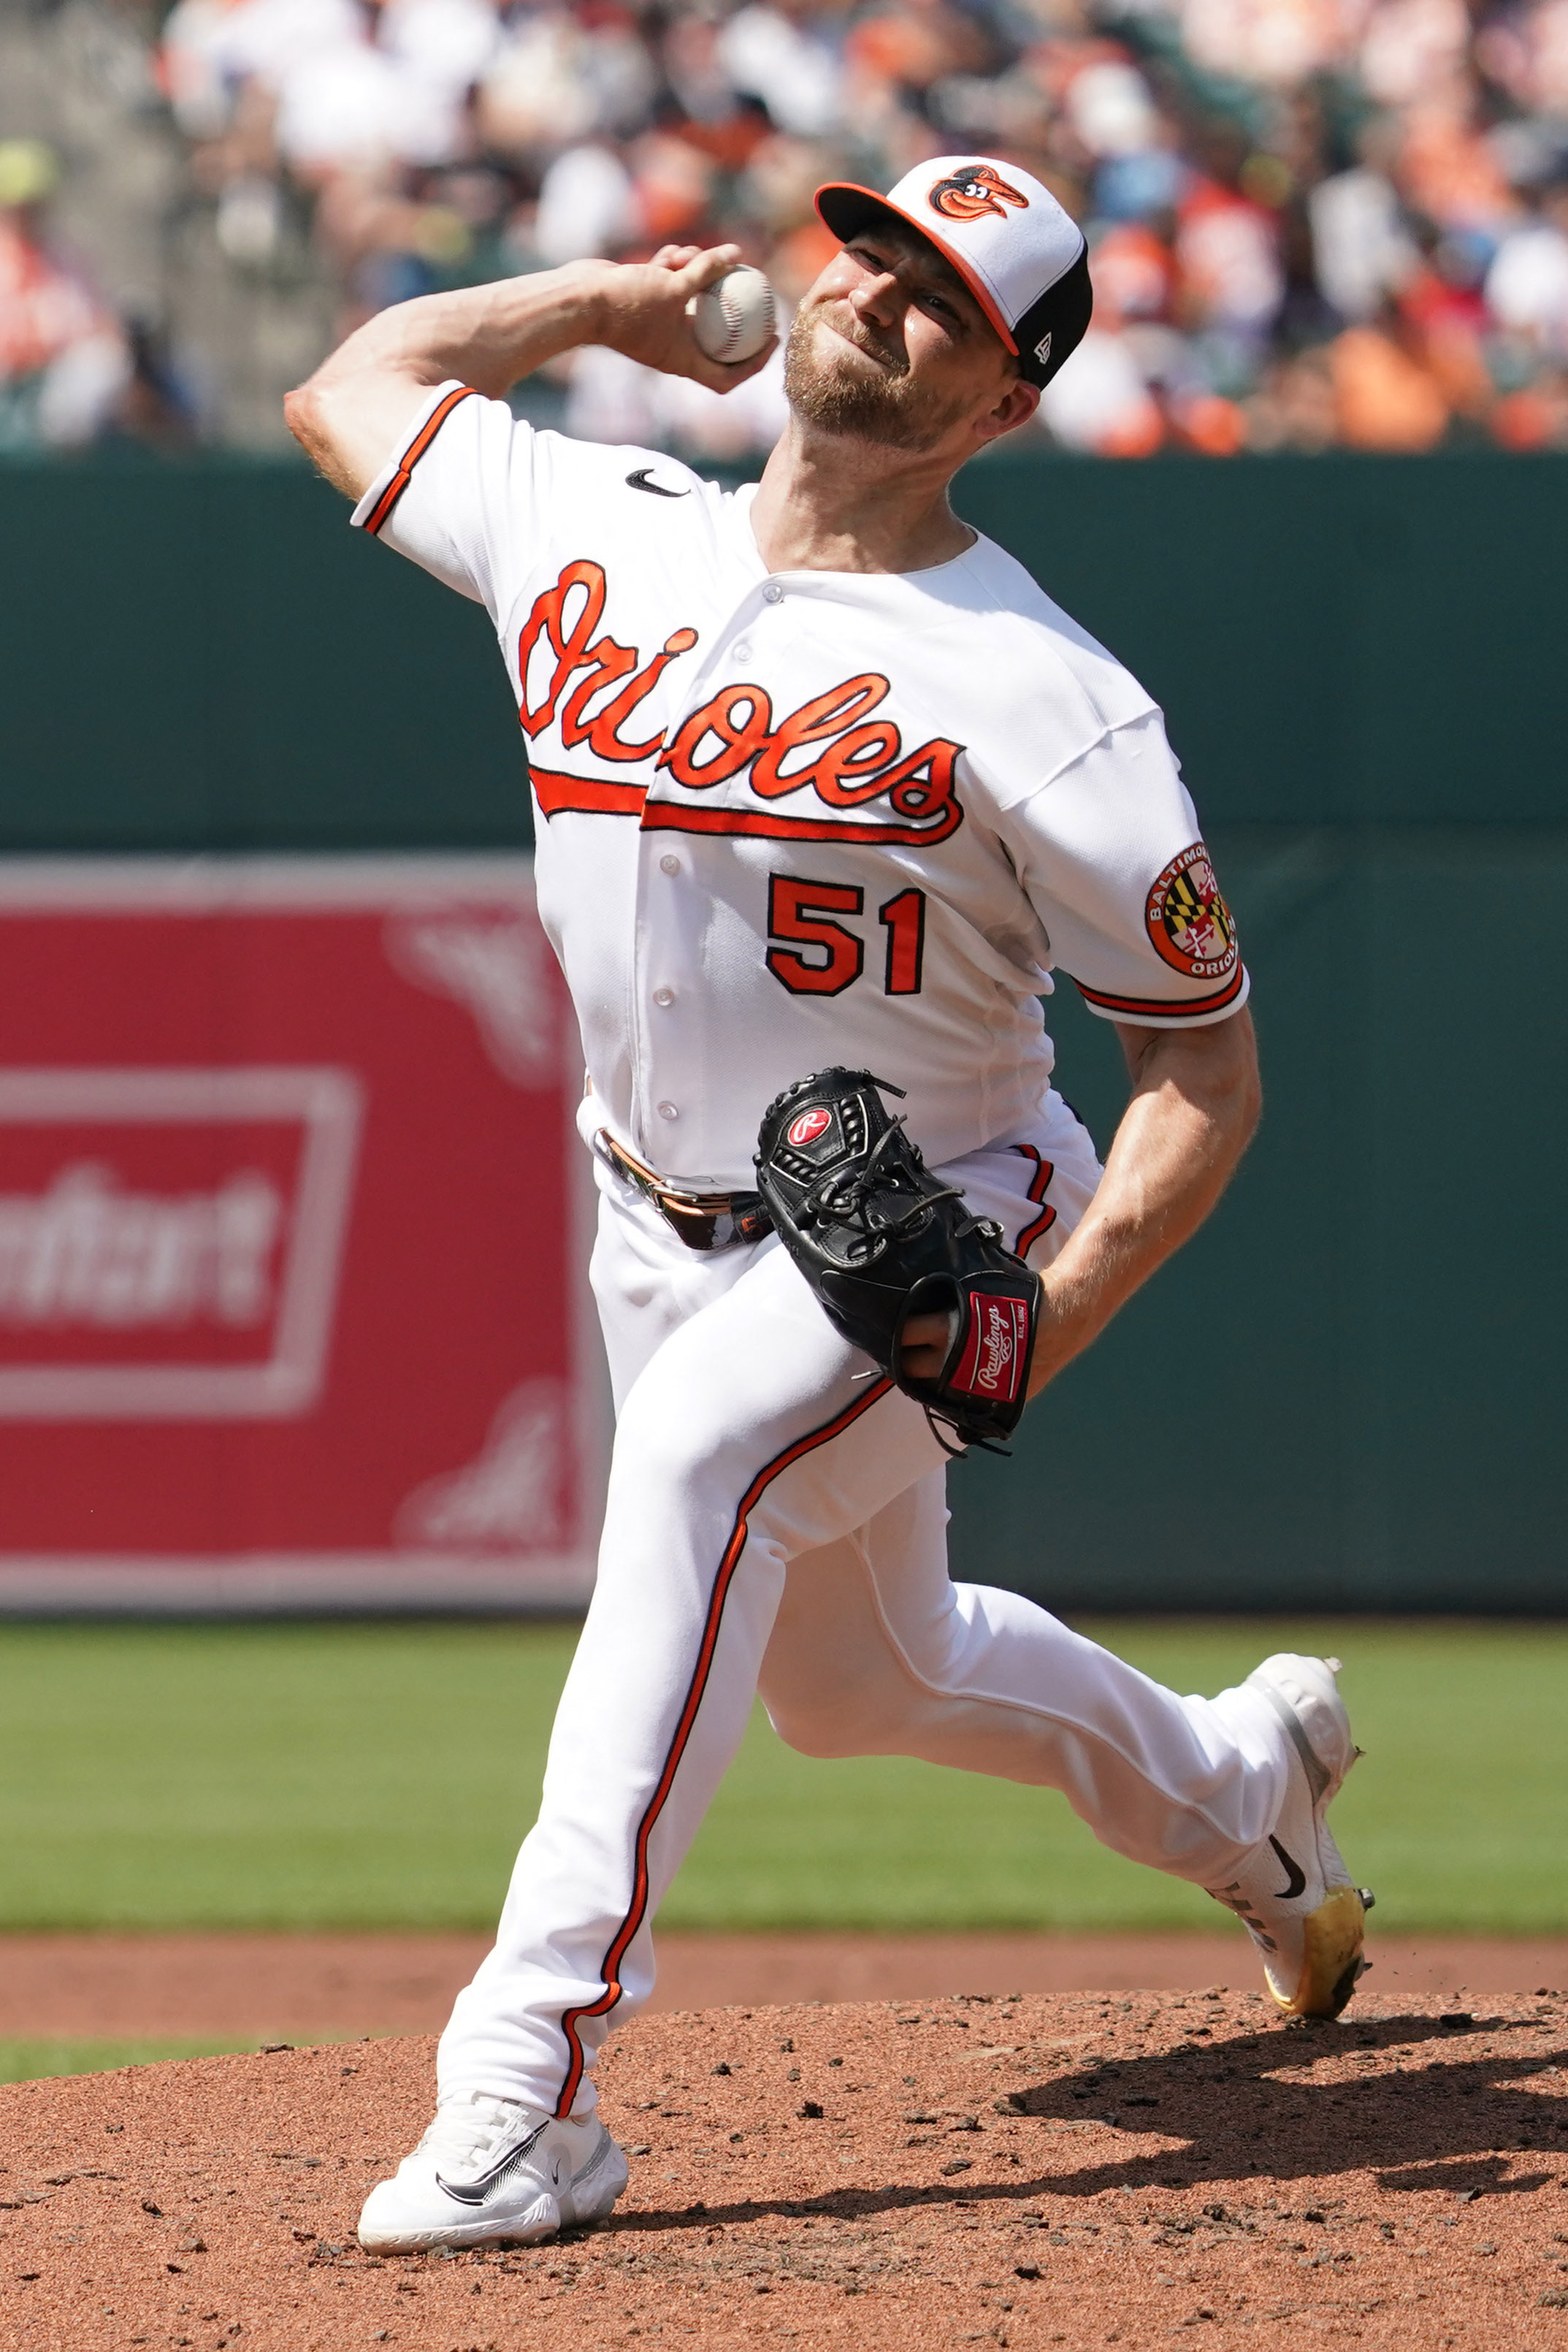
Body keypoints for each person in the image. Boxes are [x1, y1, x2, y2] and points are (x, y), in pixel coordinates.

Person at [285, 153, 1371, 2255]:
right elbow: (359, 377)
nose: (877, 294)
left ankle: (524, 2082)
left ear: (1002, 398)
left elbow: (1201, 1075)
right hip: (646, 1209)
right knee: (859, 1684)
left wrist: (1039, 1314)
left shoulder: (1052, 701)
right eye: (867, 247)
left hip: (924, 1205)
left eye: (943, 295)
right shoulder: (593, 517)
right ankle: (1250, 1791)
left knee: (694, 1467)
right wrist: (602, 301)